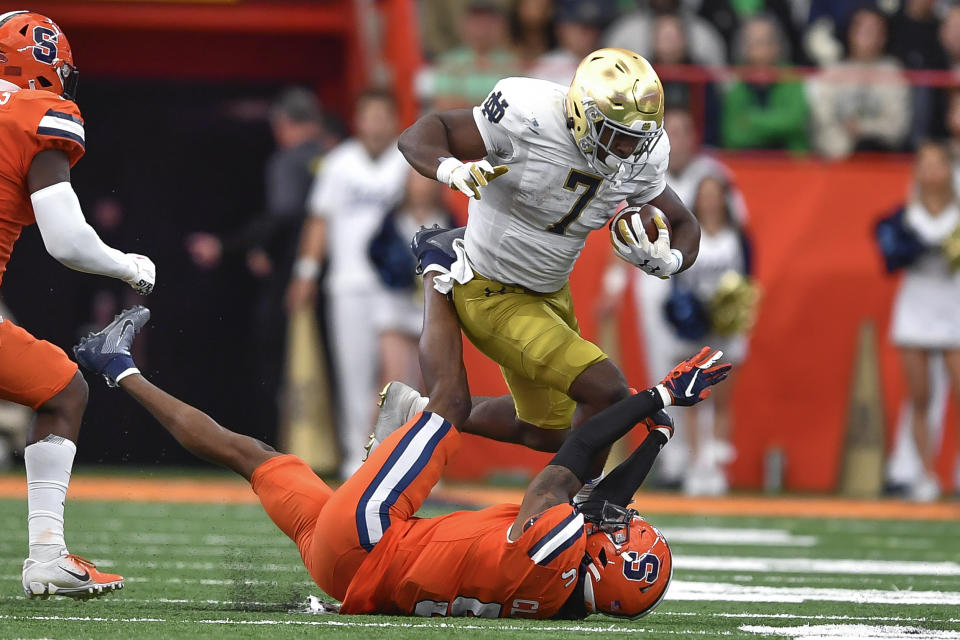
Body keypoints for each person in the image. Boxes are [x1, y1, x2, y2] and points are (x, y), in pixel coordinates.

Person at [72, 291, 730, 618]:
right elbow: (602, 498)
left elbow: (583, 448)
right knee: (254, 455)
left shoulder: (553, 542)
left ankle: (438, 278)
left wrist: (657, 394)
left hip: (373, 536)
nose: (614, 518)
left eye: (619, 532)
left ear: (605, 557)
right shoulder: (564, 597)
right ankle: (119, 367)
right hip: (345, 575)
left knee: (446, 407)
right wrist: (661, 430)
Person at [395, 49, 701, 493]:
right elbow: (423, 133)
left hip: (550, 293)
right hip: (491, 288)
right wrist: (450, 169)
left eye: (637, 138)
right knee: (607, 390)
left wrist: (668, 260)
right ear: (582, 113)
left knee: (548, 432)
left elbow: (685, 222)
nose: (627, 150)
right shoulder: (528, 113)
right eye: (616, 136)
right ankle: (572, 506)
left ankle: (415, 410)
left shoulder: (641, 155)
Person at [0, 10, 158, 598]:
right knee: (65, 390)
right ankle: (46, 555)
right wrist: (127, 265)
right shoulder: (36, 115)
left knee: (57, 383)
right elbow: (65, 240)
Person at [186, 87, 327, 443]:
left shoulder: (287, 161)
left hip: (294, 279)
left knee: (276, 360)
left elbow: (284, 215)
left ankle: (279, 443)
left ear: (286, 124)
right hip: (335, 276)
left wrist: (230, 245)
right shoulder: (336, 155)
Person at [286, 88, 409, 478]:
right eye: (368, 115)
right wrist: (306, 272)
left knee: (400, 377)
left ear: (393, 119)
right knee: (354, 375)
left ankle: (399, 459)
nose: (375, 123)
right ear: (358, 119)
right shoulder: (339, 163)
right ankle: (357, 458)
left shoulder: (409, 161)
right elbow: (319, 220)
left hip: (398, 286)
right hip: (348, 283)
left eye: (382, 115)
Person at [877, 141, 960, 502]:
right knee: (921, 396)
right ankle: (923, 472)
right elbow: (890, 259)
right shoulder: (905, 216)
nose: (931, 172)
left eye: (938, 164)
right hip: (915, 307)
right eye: (924, 165)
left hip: (953, 305)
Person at [664, 176, 755, 495]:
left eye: (716, 195)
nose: (710, 202)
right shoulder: (689, 234)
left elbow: (747, 280)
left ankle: (717, 464)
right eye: (705, 195)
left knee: (723, 399)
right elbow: (676, 277)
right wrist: (687, 313)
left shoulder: (737, 237)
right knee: (691, 397)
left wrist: (733, 311)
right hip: (694, 326)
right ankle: (695, 464)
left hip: (726, 328)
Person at [368, 169, 456, 392]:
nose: (421, 187)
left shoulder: (447, 218)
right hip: (396, 302)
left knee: (430, 381)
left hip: (431, 306)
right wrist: (397, 275)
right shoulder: (394, 218)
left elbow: (460, 254)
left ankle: (422, 424)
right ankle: (382, 427)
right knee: (393, 379)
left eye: (426, 182)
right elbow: (375, 252)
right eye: (416, 181)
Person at [807, 7, 910, 158]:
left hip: (881, 158)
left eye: (874, 30)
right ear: (850, 32)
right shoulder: (831, 73)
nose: (867, 35)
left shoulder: (893, 73)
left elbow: (896, 127)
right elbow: (822, 123)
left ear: (884, 37)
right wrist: (846, 153)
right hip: (836, 161)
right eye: (861, 28)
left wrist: (863, 129)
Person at [721, 14, 809, 152]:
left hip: (791, 163)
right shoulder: (736, 84)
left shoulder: (791, 76)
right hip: (748, 163)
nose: (762, 49)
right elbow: (732, 136)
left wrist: (751, 120)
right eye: (754, 42)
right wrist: (777, 124)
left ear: (778, 45)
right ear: (743, 48)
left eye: (767, 41)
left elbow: (794, 121)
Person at [429, 1, 522, 111]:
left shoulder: (514, 63)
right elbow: (444, 104)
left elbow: (516, 106)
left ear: (502, 26)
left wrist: (467, 104)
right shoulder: (450, 63)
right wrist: (490, 107)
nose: (482, 30)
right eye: (477, 23)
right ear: (463, 26)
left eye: (489, 23)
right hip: (458, 126)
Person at [527, 0, 613, 87]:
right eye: (577, 26)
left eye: (593, 26)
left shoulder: (612, 64)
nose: (585, 33)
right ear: (560, 28)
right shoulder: (543, 67)